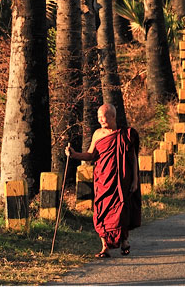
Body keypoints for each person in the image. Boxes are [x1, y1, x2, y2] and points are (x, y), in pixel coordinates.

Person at [66, 104, 142, 258]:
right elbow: (90, 155)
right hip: (102, 180)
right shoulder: (98, 134)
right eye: (99, 117)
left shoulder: (126, 134)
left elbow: (133, 159)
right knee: (101, 212)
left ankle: (124, 241)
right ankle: (104, 247)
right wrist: (74, 155)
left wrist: (135, 180)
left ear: (113, 116)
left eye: (104, 116)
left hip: (122, 180)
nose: (100, 120)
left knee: (121, 210)